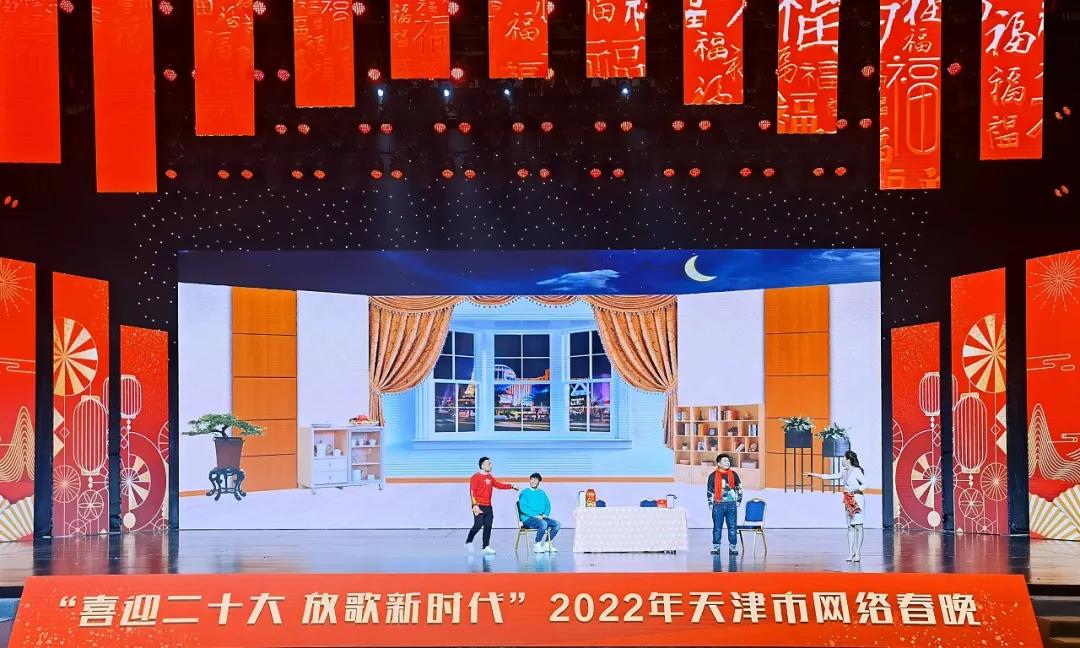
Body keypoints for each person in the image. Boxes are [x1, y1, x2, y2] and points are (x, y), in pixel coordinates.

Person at [806, 450, 867, 562]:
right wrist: (814, 474)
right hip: (848, 500)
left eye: (843, 458)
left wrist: (853, 489)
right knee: (850, 527)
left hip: (857, 499)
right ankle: (851, 553)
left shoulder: (857, 471)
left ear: (848, 460)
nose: (842, 460)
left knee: (858, 526)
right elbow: (829, 476)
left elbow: (865, 484)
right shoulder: (844, 472)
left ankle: (857, 553)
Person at [466, 456, 518, 555]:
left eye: (491, 463)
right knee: (478, 525)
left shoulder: (490, 477)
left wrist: (511, 486)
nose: (491, 465)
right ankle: (469, 541)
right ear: (482, 465)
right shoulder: (475, 477)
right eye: (489, 464)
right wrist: (475, 505)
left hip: (488, 506)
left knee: (488, 526)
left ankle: (485, 547)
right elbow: (472, 492)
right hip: (478, 505)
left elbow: (499, 485)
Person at [706, 454, 743, 555]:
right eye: (725, 461)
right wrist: (710, 503)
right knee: (717, 527)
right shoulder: (712, 476)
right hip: (718, 504)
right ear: (719, 463)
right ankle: (716, 547)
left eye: (728, 461)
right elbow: (709, 490)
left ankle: (733, 547)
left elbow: (739, 488)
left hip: (731, 504)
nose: (727, 463)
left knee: (732, 527)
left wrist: (738, 500)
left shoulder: (734, 474)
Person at [518, 472, 561, 554]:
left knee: (557, 524)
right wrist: (536, 515)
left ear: (539, 482)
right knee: (543, 523)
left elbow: (548, 505)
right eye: (532, 479)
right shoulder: (524, 492)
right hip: (528, 519)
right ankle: (537, 544)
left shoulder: (542, 493)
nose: (533, 481)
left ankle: (547, 543)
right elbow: (523, 508)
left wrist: (545, 515)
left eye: (535, 480)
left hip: (541, 517)